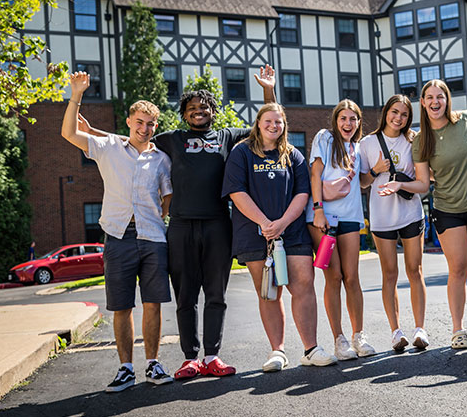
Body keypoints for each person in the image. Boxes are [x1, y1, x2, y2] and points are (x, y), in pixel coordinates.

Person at [79, 65, 277, 379]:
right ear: (184, 115)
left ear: (214, 112)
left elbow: (267, 125)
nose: (199, 112)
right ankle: (190, 358)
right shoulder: (171, 139)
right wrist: (92, 132)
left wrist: (268, 90)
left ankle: (212, 356)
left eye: (204, 107)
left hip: (217, 226)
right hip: (181, 228)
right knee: (186, 297)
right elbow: (133, 137)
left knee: (216, 294)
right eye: (192, 109)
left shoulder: (228, 137)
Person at [61, 72, 173, 392]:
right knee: (121, 306)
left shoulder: (162, 160)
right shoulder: (108, 147)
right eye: (140, 122)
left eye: (150, 124)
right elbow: (69, 133)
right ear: (129, 121)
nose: (145, 128)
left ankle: (153, 363)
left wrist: (158, 216)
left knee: (153, 303)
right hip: (118, 237)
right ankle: (126, 368)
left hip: (152, 237)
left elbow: (168, 196)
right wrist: (76, 94)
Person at [222, 104, 337, 371]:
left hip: (292, 232)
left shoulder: (292, 155)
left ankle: (311, 349)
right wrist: (264, 223)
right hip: (255, 234)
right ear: (258, 123)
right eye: (268, 121)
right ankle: (278, 351)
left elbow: (302, 193)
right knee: (269, 293)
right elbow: (237, 192)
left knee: (304, 284)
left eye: (279, 122)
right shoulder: (242, 153)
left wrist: (283, 223)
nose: (274, 126)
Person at [413, 80, 467, 349]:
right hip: (447, 209)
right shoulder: (421, 140)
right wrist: (400, 185)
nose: (435, 102)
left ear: (448, 100)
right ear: (422, 102)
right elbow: (424, 183)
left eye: (441, 97)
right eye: (430, 98)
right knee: (457, 269)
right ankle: (458, 329)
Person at [306, 100, 376, 360]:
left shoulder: (358, 148)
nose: (348, 124)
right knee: (333, 277)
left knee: (352, 277)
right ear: (335, 120)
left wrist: (378, 169)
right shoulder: (324, 138)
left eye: (353, 119)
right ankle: (339, 338)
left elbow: (363, 181)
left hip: (351, 217)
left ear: (359, 122)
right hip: (324, 218)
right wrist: (318, 209)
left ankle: (359, 336)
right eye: (343, 118)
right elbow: (315, 175)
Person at [359, 94, 430, 351]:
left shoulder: (414, 140)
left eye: (404, 114)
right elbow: (363, 182)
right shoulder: (367, 143)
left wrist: (402, 182)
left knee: (415, 270)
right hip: (382, 217)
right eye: (394, 112)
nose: (398, 118)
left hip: (410, 213)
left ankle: (420, 329)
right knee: (389, 274)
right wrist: (376, 170)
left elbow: (425, 181)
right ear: (386, 112)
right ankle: (396, 332)